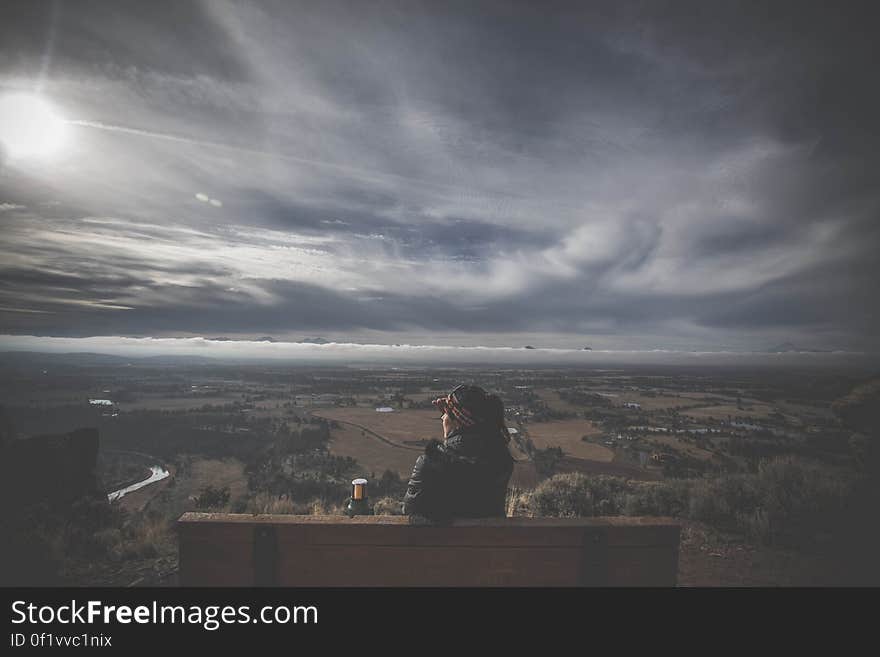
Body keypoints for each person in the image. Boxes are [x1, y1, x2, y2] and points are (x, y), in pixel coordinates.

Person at [402, 384, 514, 521]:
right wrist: (452, 414)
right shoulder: (501, 460)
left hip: (443, 541)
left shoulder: (431, 463)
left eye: (446, 415)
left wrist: (448, 438)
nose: (443, 418)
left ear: (458, 421)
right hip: (491, 540)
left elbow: (410, 511)